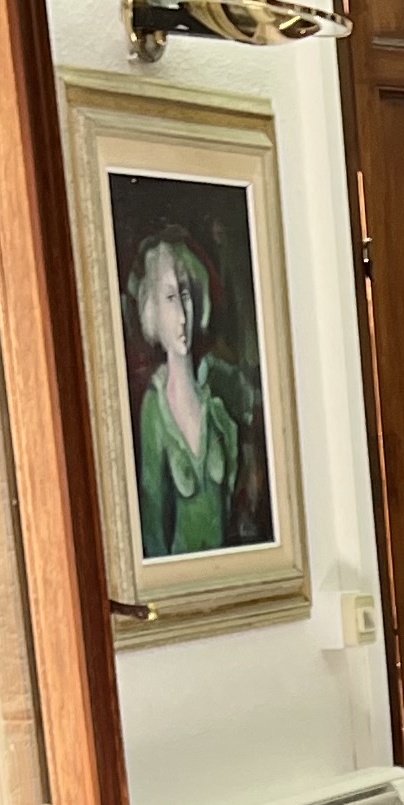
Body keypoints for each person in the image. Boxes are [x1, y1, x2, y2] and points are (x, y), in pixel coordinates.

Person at [133, 228, 260, 558]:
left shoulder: (218, 395)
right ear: (153, 311)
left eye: (186, 295)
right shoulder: (154, 410)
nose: (182, 316)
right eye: (171, 298)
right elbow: (154, 535)